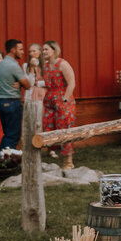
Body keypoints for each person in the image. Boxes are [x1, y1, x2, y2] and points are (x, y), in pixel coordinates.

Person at [41, 40, 77, 169]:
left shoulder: (63, 64)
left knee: (65, 130)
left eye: (46, 49)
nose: (43, 52)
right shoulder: (44, 66)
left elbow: (72, 83)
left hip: (63, 100)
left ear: (54, 51)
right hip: (49, 100)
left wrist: (65, 100)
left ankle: (68, 161)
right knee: (47, 126)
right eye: (43, 49)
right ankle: (52, 153)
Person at [0, 39, 33, 149]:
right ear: (13, 50)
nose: (22, 52)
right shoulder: (13, 65)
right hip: (12, 102)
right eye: (20, 49)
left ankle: (2, 160)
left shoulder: (1, 64)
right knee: (13, 135)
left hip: (1, 102)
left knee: (8, 134)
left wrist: (19, 84)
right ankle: (2, 162)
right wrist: (21, 84)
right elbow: (27, 85)